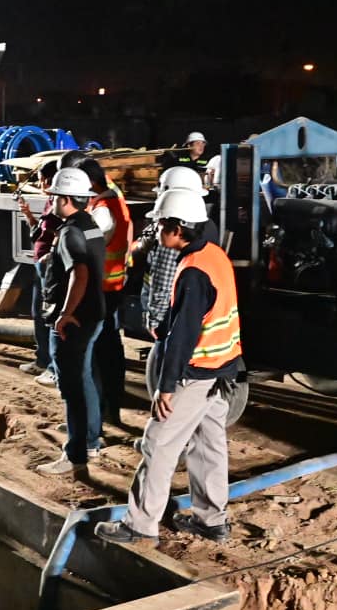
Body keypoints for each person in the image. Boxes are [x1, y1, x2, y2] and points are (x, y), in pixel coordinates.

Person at [98, 189, 240, 545]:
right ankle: (212, 520)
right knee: (208, 445)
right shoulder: (214, 255)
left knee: (158, 444)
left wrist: (166, 386)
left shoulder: (192, 272)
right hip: (220, 369)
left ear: (178, 229)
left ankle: (140, 525)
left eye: (161, 225)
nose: (156, 231)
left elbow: (183, 337)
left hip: (195, 372)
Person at [35, 168, 111, 476]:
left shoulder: (69, 233)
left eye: (54, 196)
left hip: (76, 320)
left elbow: (79, 273)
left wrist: (65, 314)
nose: (51, 201)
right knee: (84, 378)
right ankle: (89, 439)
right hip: (94, 314)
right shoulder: (91, 225)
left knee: (72, 386)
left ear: (65, 199)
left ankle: (75, 454)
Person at [137, 166, 207, 400]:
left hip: (168, 315)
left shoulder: (172, 242)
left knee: (166, 375)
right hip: (189, 317)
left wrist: (155, 319)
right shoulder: (202, 225)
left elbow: (162, 282)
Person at [74, 157, 131, 435]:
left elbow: (87, 248)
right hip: (111, 286)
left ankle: (102, 414)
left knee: (99, 354)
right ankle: (109, 409)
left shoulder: (103, 211)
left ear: (91, 182)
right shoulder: (111, 200)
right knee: (109, 350)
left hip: (102, 289)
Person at [16, 160, 62, 386]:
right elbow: (39, 233)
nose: (41, 184)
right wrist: (28, 214)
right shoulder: (50, 202)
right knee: (38, 312)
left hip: (49, 266)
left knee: (49, 315)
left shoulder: (61, 205)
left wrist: (49, 258)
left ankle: (54, 368)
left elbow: (60, 234)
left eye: (44, 179)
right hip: (40, 264)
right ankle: (42, 359)